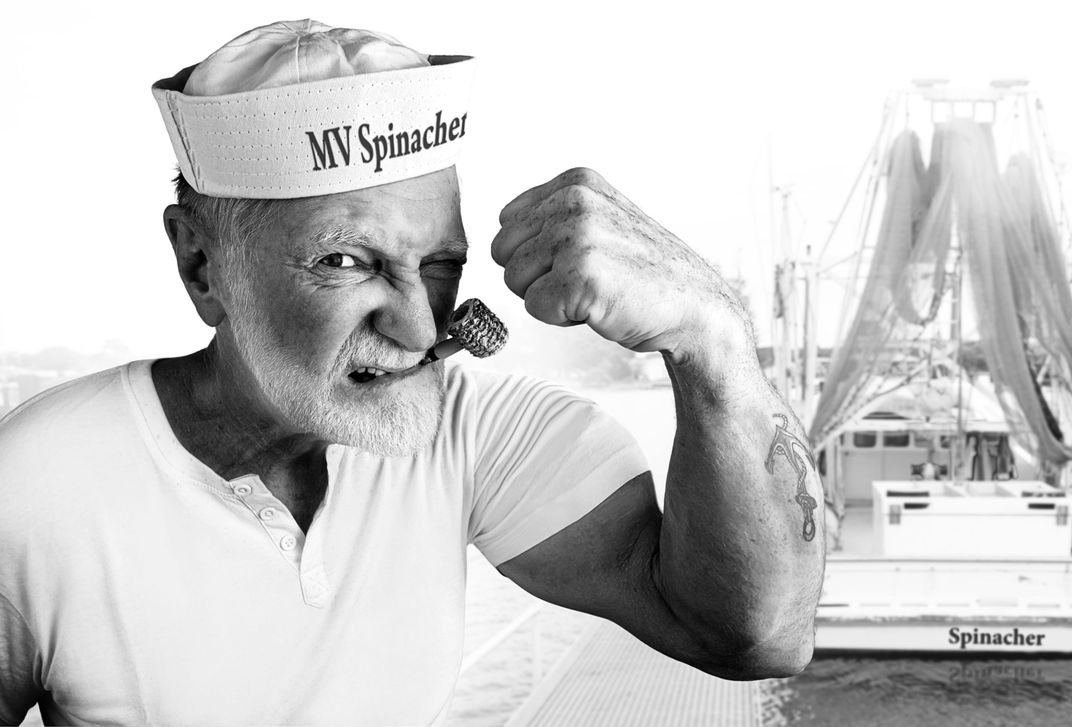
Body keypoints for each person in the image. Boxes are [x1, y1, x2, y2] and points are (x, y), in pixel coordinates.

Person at [0, 20, 824, 726]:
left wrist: (713, 339)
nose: (420, 326)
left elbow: (756, 634)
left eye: (439, 265)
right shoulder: (37, 481)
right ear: (201, 264)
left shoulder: (471, 427)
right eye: (346, 261)